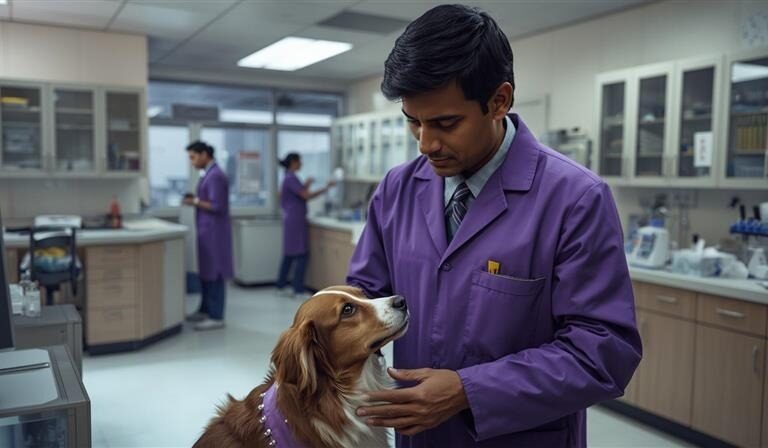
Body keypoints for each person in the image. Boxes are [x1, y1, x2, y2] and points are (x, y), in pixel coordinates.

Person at [348, 5, 642, 447]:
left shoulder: (575, 199)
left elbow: (603, 351)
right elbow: (363, 299)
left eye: (445, 123)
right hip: (419, 436)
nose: (426, 144)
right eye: (414, 122)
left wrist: (470, 390)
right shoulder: (397, 190)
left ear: (499, 100)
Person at [183, 140, 233, 331]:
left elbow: (218, 206)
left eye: (193, 157)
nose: (192, 162)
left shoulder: (216, 177)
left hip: (215, 234)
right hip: (207, 231)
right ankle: (205, 310)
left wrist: (194, 201)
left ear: (205, 154)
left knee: (215, 273)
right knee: (206, 273)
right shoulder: (209, 175)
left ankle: (216, 316)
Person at [276, 153, 336, 299]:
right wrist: (326, 188)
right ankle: (298, 290)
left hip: (291, 219)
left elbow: (299, 193)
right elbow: (305, 196)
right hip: (296, 220)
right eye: (300, 161)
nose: (301, 164)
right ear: (294, 162)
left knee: (289, 254)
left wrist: (306, 185)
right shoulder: (291, 178)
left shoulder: (288, 177)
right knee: (301, 254)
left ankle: (281, 285)